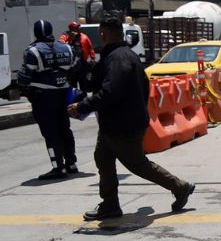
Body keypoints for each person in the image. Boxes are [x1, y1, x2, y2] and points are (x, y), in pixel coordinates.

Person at [67, 17, 195, 219]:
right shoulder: (124, 56)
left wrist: (83, 106)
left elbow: (110, 92)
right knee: (103, 158)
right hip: (116, 123)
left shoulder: (118, 59)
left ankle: (179, 187)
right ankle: (110, 205)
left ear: (102, 34)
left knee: (137, 164)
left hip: (122, 125)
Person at [17, 19, 78, 180]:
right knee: (65, 128)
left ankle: (58, 167)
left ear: (36, 33)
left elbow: (23, 78)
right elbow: (75, 70)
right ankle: (71, 163)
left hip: (43, 97)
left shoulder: (33, 51)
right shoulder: (66, 48)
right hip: (64, 94)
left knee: (50, 133)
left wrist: (25, 89)